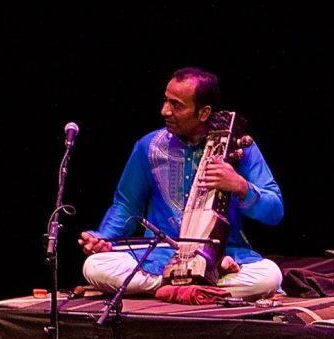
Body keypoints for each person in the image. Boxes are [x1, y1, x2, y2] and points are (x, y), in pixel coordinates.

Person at [77, 68, 285, 303]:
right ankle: (194, 288)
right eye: (166, 100)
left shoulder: (238, 147)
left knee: (269, 277)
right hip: (159, 255)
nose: (164, 111)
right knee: (95, 266)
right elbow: (126, 206)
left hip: (225, 254)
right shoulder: (149, 147)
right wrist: (103, 238)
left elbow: (275, 210)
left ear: (204, 112)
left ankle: (173, 288)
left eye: (176, 105)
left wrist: (240, 186)